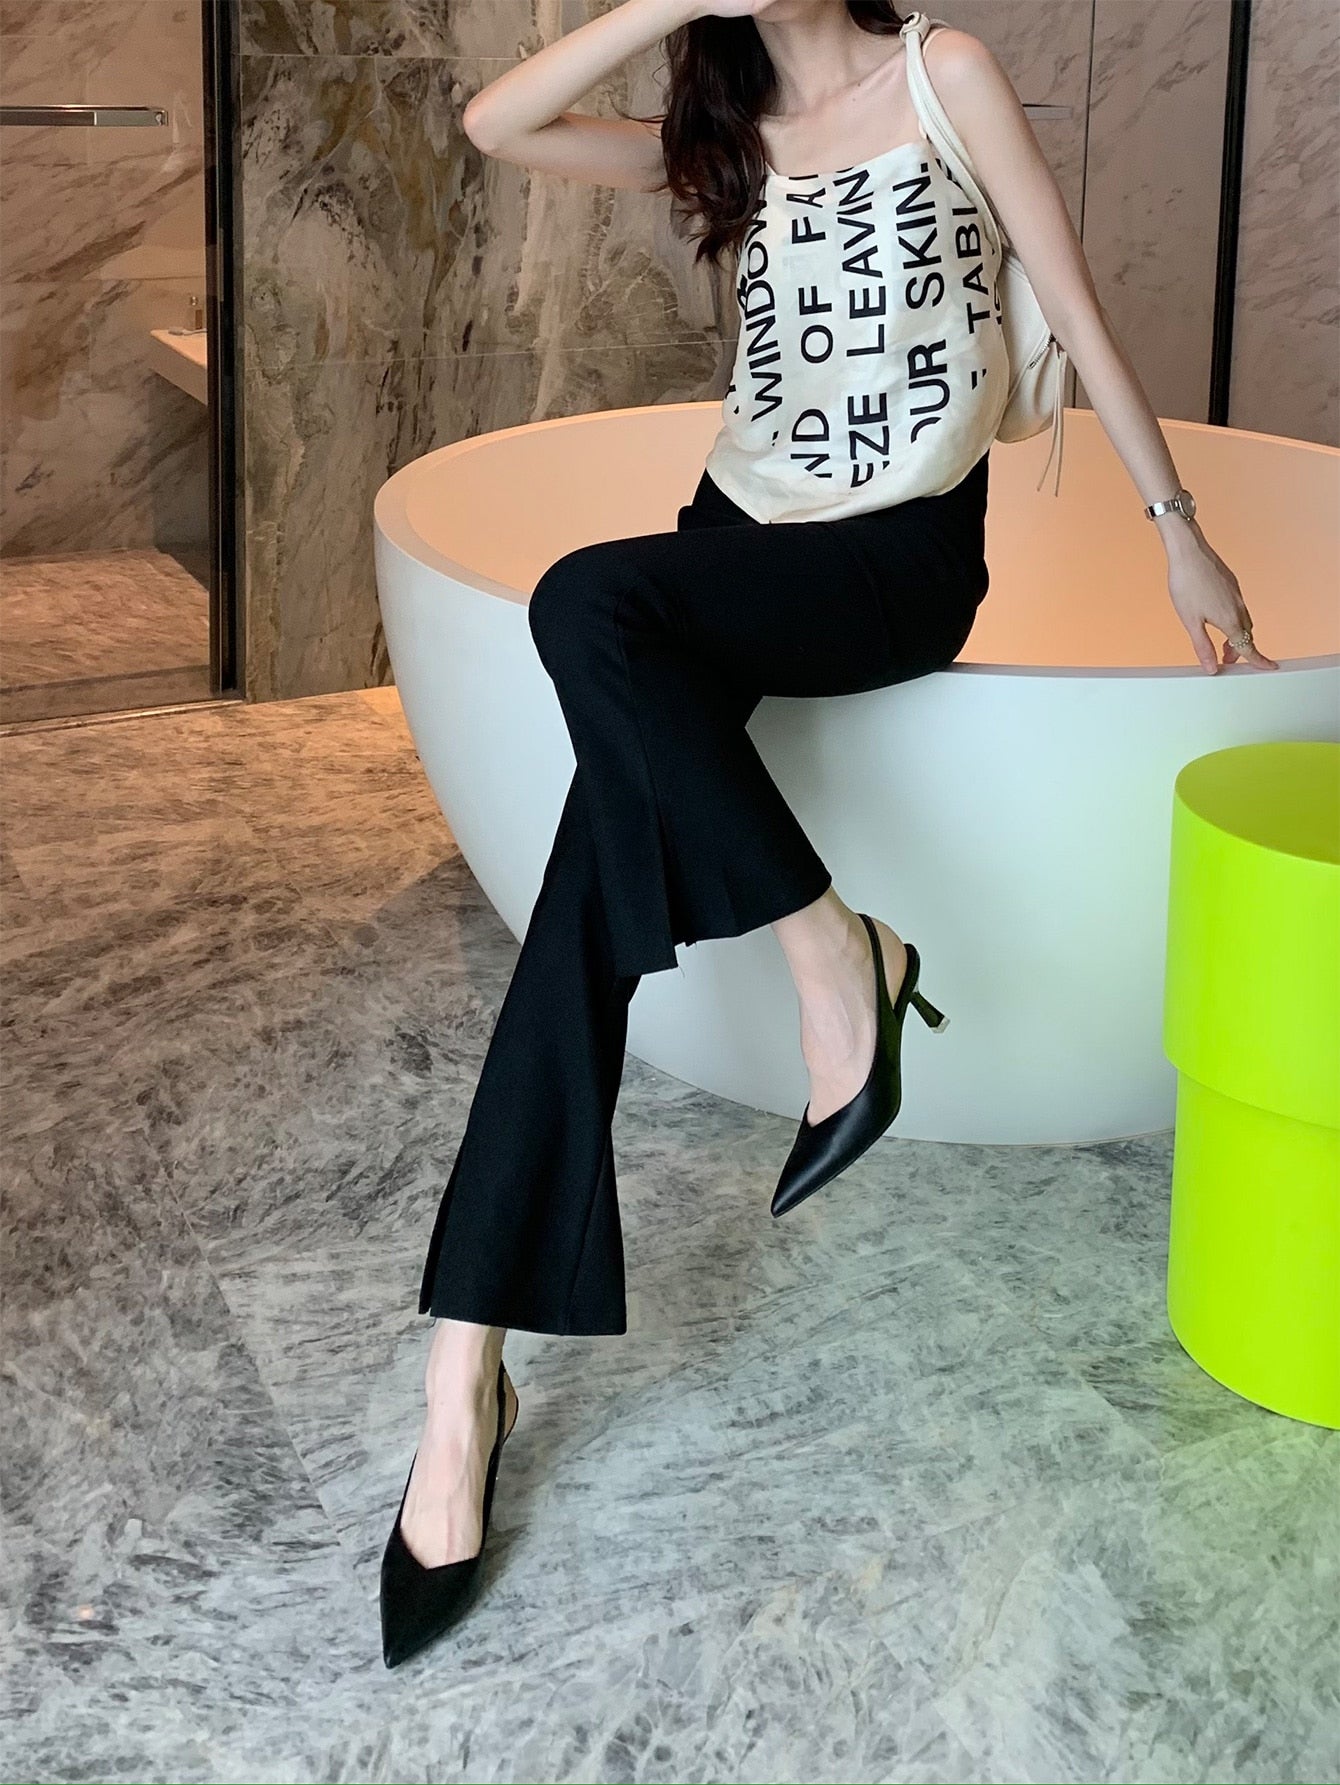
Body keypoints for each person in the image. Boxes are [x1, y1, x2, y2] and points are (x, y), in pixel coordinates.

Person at [378, 0, 1275, 1668]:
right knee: (587, 873)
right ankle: (465, 1370)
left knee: (584, 605)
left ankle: (828, 969)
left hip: (895, 558)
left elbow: (1070, 295)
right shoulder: (720, 133)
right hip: (736, 532)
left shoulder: (942, 73)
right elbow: (498, 126)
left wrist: (1180, 529)